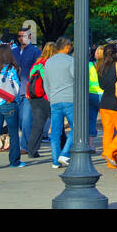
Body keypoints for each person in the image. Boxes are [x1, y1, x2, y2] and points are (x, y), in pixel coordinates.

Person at [42, 37, 76, 168]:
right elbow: (76, 78)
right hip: (69, 99)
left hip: (54, 100)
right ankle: (65, 153)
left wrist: (51, 97)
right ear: (66, 46)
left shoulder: (49, 62)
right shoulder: (71, 61)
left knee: (55, 132)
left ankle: (55, 161)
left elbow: (46, 83)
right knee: (76, 128)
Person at [95, 45, 117, 169]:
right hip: (116, 103)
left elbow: (101, 86)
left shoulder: (101, 67)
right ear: (115, 53)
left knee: (108, 132)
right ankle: (109, 153)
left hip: (104, 103)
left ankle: (111, 162)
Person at [11, 27, 41, 155]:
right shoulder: (14, 51)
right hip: (15, 90)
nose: (20, 38)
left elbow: (39, 70)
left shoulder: (35, 51)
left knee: (27, 118)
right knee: (19, 120)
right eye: (19, 36)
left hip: (29, 90)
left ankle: (25, 146)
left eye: (23, 36)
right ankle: (28, 142)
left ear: (29, 37)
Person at [25, 41, 58, 158]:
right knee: (57, 123)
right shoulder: (50, 64)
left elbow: (30, 79)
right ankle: (63, 148)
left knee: (37, 125)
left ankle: (32, 150)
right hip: (46, 97)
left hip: (34, 98)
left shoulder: (37, 64)